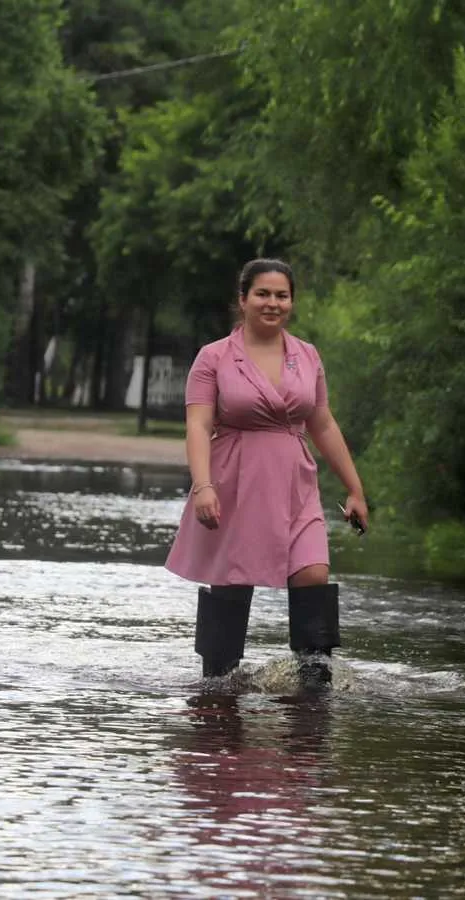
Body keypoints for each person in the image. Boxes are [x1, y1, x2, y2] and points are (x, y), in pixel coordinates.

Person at [165, 258, 368, 685]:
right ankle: (217, 685)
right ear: (243, 300)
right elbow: (198, 425)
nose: (272, 303)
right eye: (262, 294)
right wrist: (202, 486)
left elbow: (322, 423)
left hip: (295, 482)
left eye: (282, 295)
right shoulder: (214, 357)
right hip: (235, 482)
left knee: (313, 572)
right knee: (232, 583)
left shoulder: (307, 355)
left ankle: (315, 685)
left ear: (291, 301)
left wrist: (355, 489)